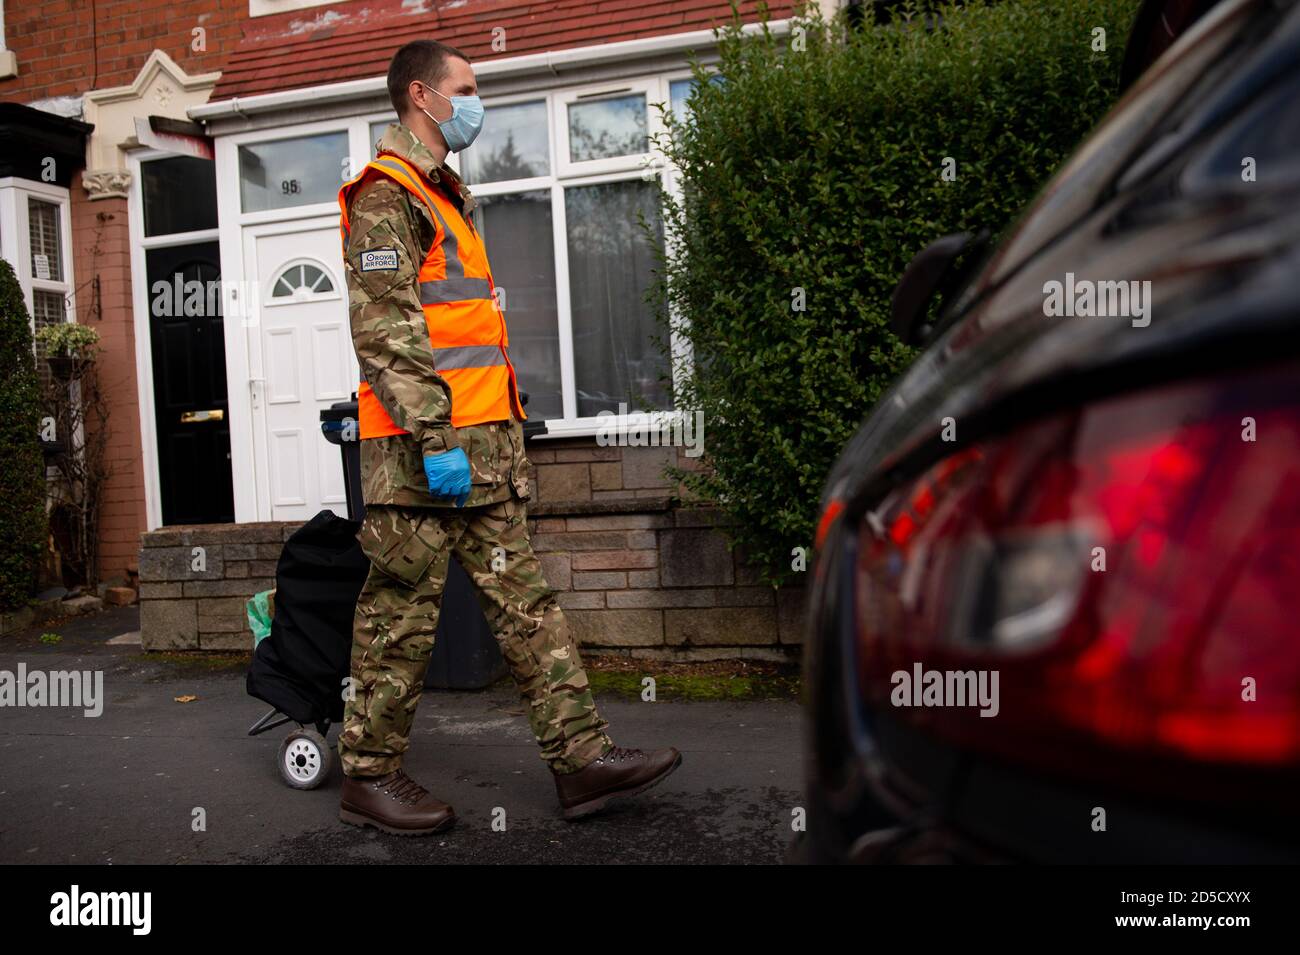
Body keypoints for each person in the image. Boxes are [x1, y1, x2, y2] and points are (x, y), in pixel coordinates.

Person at [335, 38, 681, 835]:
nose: (476, 102)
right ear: (423, 96)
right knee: (400, 620)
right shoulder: (385, 197)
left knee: (528, 608)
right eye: (467, 88)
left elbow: (465, 333)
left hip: (482, 450)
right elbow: (388, 333)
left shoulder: (442, 194)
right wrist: (434, 436)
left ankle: (581, 763)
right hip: (422, 456)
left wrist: (490, 434)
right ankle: (369, 778)